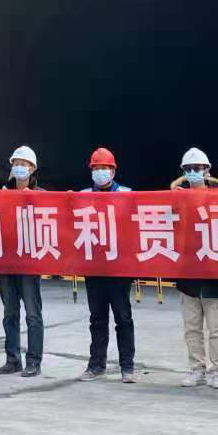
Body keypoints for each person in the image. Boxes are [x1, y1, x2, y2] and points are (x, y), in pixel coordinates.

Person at [170, 148, 218, 389]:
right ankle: (197, 369)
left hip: (215, 272)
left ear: (207, 170)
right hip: (188, 272)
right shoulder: (178, 197)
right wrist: (175, 190)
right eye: (188, 169)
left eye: (197, 168)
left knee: (217, 329)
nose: (193, 172)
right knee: (192, 328)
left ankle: (217, 371)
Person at [79, 147, 136, 383]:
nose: (100, 172)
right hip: (94, 268)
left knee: (123, 318)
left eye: (104, 168)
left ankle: (127, 367)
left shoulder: (127, 194)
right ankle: (96, 365)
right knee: (97, 319)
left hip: (119, 269)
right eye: (96, 168)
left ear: (113, 171)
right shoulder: (82, 195)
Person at [0, 145, 43, 377]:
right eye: (16, 164)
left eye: (23, 164)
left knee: (32, 314)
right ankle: (12, 359)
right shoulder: (2, 194)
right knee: (9, 313)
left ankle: (33, 361)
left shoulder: (41, 196)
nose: (19, 168)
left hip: (29, 263)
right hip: (7, 262)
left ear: (32, 168)